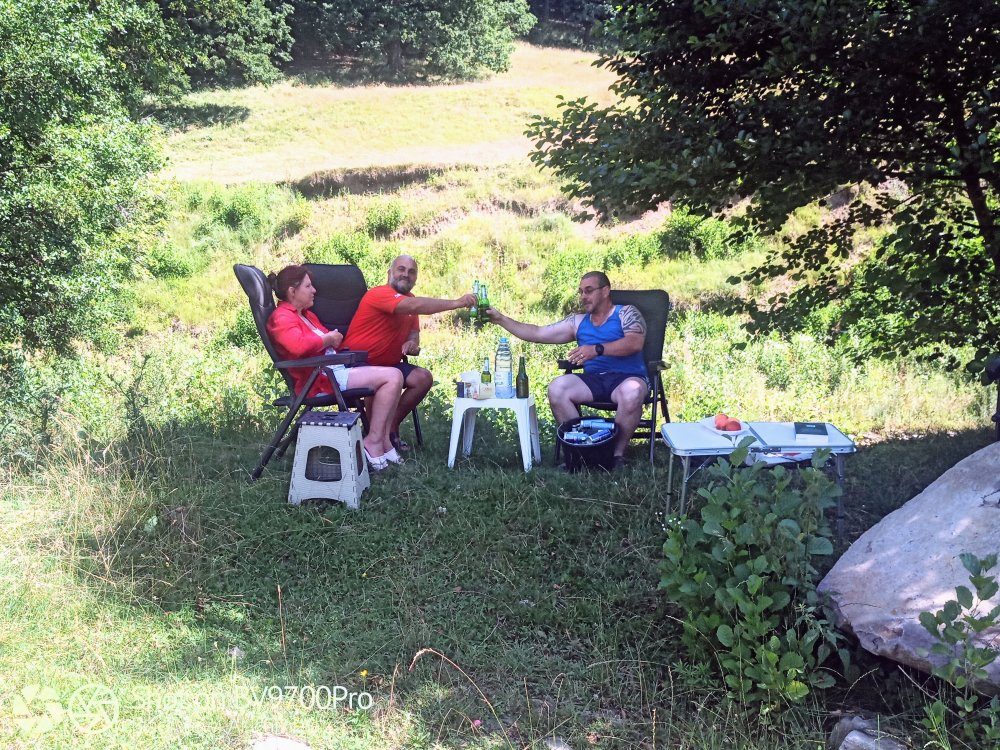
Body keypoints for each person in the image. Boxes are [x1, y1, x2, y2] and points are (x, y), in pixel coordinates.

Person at [486, 271, 649, 469]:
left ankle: (614, 456)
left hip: (627, 378)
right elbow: (537, 333)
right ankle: (583, 450)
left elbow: (634, 343)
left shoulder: (626, 313)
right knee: (557, 388)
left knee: (632, 391)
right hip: (594, 380)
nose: (583, 296)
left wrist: (596, 349)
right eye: (581, 292)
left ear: (606, 291)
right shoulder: (577, 322)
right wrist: (500, 319)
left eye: (589, 291)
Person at [266, 265, 405, 472]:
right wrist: (328, 339)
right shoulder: (282, 317)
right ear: (292, 291)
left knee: (393, 376)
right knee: (392, 377)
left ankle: (383, 442)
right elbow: (298, 346)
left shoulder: (307, 315)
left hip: (333, 370)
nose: (314, 290)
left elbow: (330, 342)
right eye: (308, 286)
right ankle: (372, 442)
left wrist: (332, 340)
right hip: (319, 379)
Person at [343, 254, 477, 452]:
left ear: (415, 278)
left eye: (411, 272)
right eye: (401, 269)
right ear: (389, 273)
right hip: (359, 363)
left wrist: (412, 345)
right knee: (383, 381)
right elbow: (414, 306)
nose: (406, 274)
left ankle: (390, 426)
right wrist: (457, 303)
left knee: (423, 378)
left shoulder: (411, 301)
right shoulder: (379, 294)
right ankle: (375, 437)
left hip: (389, 366)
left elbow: (414, 336)